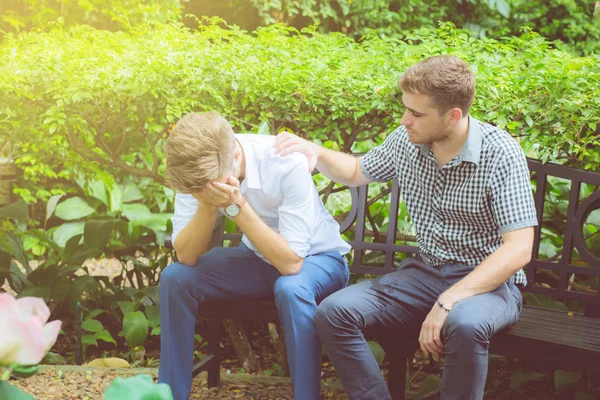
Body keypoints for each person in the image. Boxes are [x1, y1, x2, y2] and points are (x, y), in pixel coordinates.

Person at [273, 55, 537, 400]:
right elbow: (356, 171)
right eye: (405, 109)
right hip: (424, 275)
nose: (405, 120)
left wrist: (449, 300)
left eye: (416, 113)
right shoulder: (405, 141)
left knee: (466, 323)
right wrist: (314, 151)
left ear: (453, 115)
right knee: (334, 312)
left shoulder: (500, 154)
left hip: (487, 285)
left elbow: (519, 248)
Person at [158, 111, 351, 400]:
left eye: (206, 185)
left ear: (235, 153)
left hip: (317, 259)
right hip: (257, 259)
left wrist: (237, 205)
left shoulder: (285, 161)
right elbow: (186, 255)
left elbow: (291, 263)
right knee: (175, 278)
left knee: (291, 288)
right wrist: (207, 204)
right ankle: (170, 395)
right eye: (196, 189)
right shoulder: (196, 167)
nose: (201, 191)